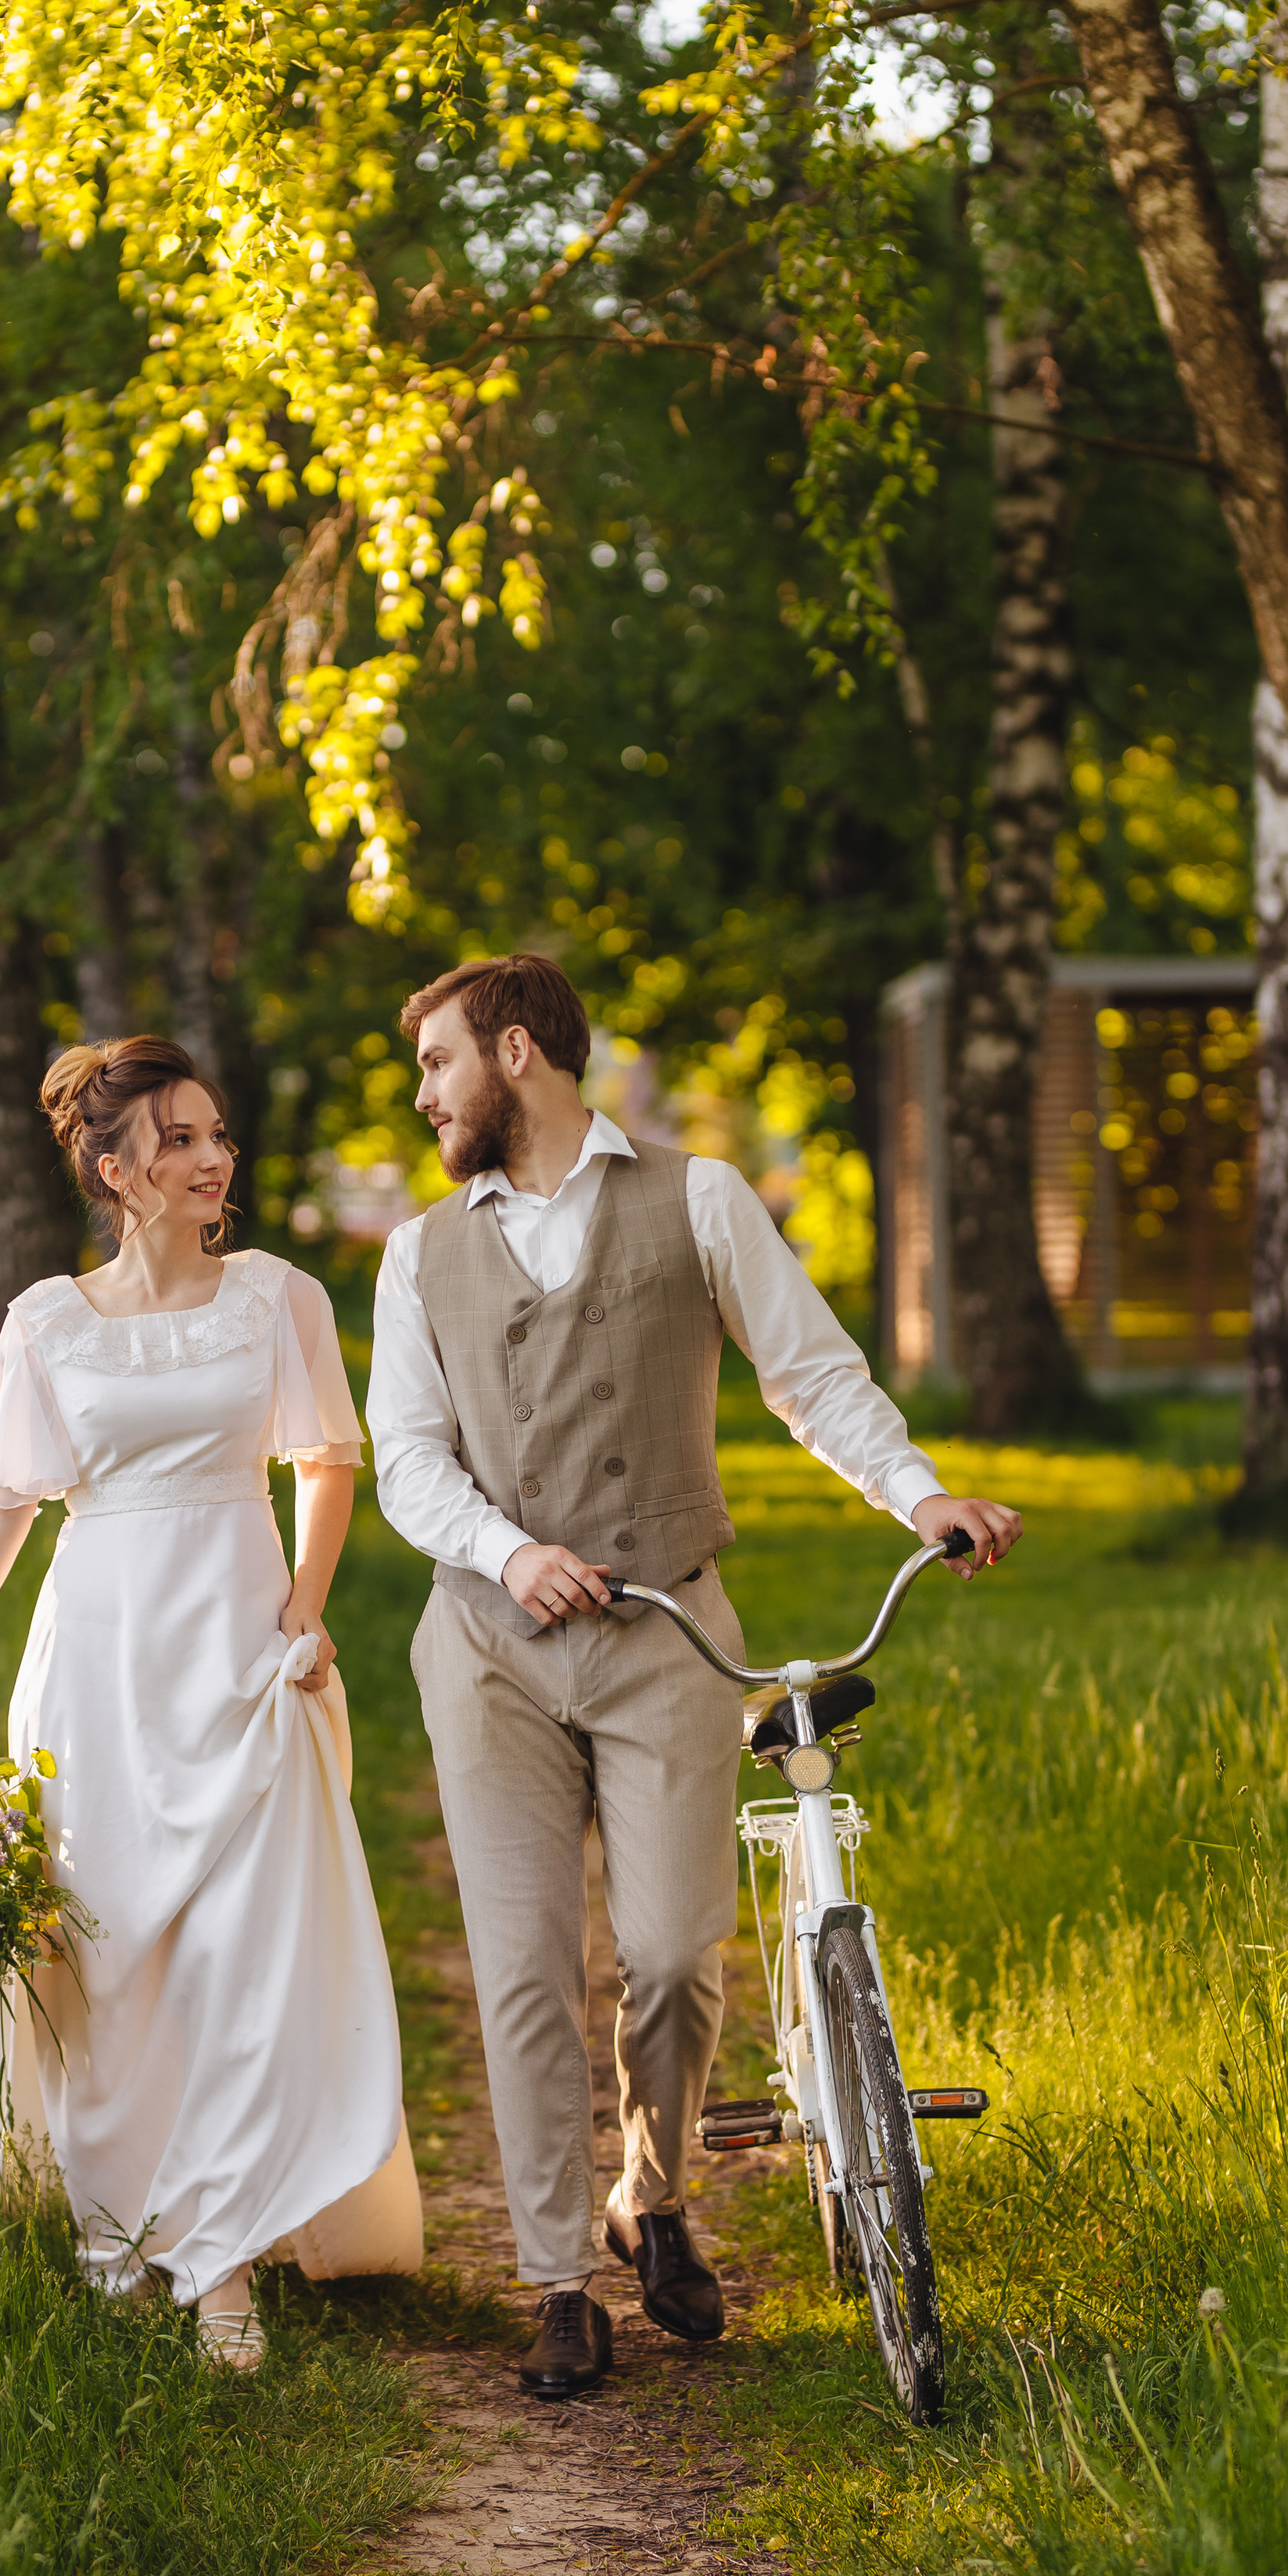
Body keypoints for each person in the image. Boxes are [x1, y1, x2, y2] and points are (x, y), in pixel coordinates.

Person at [366, 955, 1021, 2401]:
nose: (422, 1095)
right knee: (526, 1967)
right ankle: (556, 2281)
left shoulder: (698, 1200)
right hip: (488, 1647)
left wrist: (918, 1495)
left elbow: (813, 1376)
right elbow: (406, 1457)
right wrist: (503, 1548)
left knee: (671, 1955)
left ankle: (650, 2199)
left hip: (668, 1627)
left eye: (436, 1065)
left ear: (517, 1054)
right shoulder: (419, 1253)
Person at [0, 1035, 423, 2370]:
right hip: (97, 1659)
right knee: (103, 1959)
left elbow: (326, 1459)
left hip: (237, 1638)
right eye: (179, 1139)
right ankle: (122, 2225)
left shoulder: (278, 1297)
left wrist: (305, 1606)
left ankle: (222, 2260)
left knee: (240, 1953)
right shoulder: (45, 1320)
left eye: (217, 1134)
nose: (214, 1158)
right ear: (114, 1168)